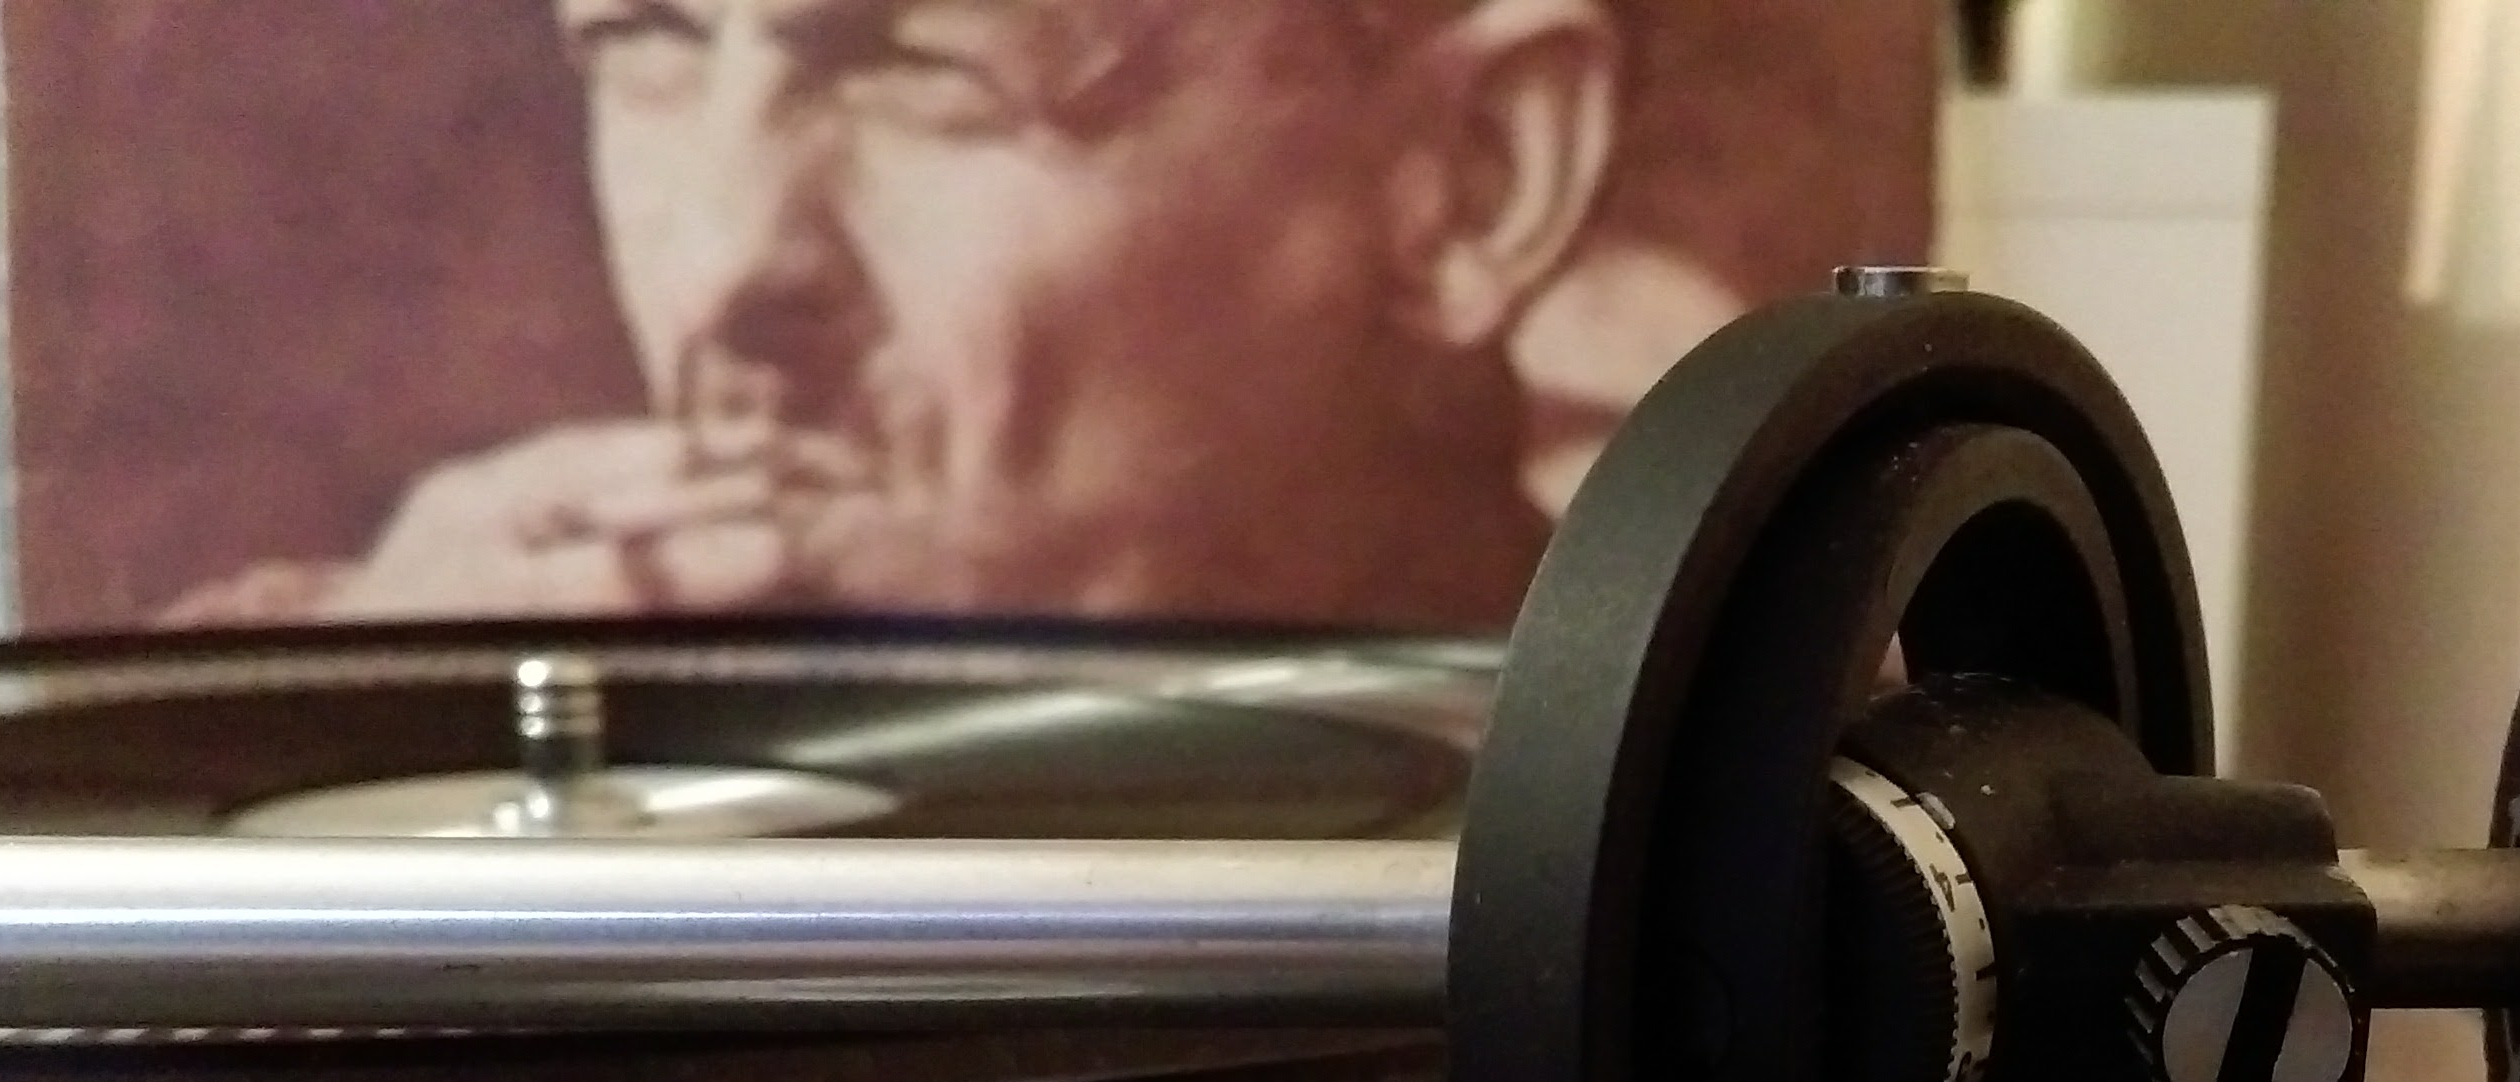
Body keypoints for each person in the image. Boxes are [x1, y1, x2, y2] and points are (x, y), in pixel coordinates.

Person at [172, 0, 1625, 629]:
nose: (723, 269)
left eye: (931, 75)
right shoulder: (366, 692)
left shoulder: (1718, 831)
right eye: (649, 46)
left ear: (1470, 180)